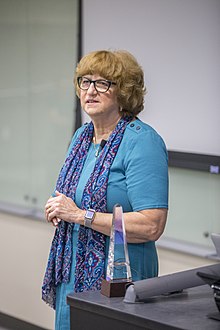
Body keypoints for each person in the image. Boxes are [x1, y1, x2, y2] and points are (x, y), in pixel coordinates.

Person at [42, 50, 169, 329]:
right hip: (72, 275)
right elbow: (73, 196)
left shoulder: (142, 142)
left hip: (120, 281)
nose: (90, 90)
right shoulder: (82, 136)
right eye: (85, 82)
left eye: (103, 83)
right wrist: (57, 207)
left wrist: (79, 216)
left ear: (123, 91)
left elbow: (151, 225)